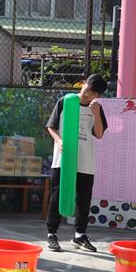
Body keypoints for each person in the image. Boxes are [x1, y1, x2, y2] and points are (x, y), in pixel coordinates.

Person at [45, 74, 109, 252]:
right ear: (83, 84)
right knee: (58, 195)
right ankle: (51, 234)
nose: (88, 95)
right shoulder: (66, 101)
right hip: (64, 158)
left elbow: (99, 134)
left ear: (98, 95)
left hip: (86, 159)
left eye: (93, 93)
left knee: (84, 197)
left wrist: (96, 113)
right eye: (87, 90)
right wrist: (59, 141)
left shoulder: (96, 108)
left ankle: (80, 235)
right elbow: (51, 126)